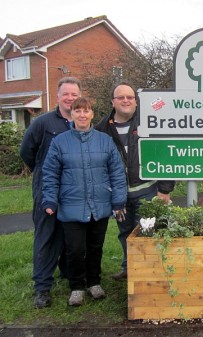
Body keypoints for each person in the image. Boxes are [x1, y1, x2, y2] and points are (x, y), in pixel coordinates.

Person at [41, 97, 127, 306]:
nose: (82, 115)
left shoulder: (104, 141)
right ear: (71, 115)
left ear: (91, 115)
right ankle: (77, 286)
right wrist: (50, 200)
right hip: (72, 205)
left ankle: (94, 282)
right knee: (75, 249)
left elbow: (116, 172)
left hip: (99, 204)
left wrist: (118, 202)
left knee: (95, 246)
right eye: (77, 111)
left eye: (86, 111)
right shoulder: (60, 142)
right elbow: (50, 173)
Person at [96, 82, 175, 280]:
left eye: (130, 97)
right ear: (112, 102)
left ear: (136, 102)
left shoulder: (149, 122)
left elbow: (167, 155)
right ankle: (129, 269)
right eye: (121, 97)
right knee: (125, 233)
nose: (126, 100)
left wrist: (164, 189)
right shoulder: (102, 128)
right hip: (119, 196)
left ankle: (150, 273)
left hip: (147, 191)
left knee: (148, 232)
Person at [20, 77, 81, 308]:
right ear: (57, 97)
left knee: (71, 235)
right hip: (47, 190)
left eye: (74, 94)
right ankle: (42, 287)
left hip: (73, 191)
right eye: (66, 94)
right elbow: (27, 152)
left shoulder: (82, 122)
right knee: (46, 238)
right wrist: (44, 175)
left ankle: (70, 275)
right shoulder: (43, 123)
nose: (70, 98)